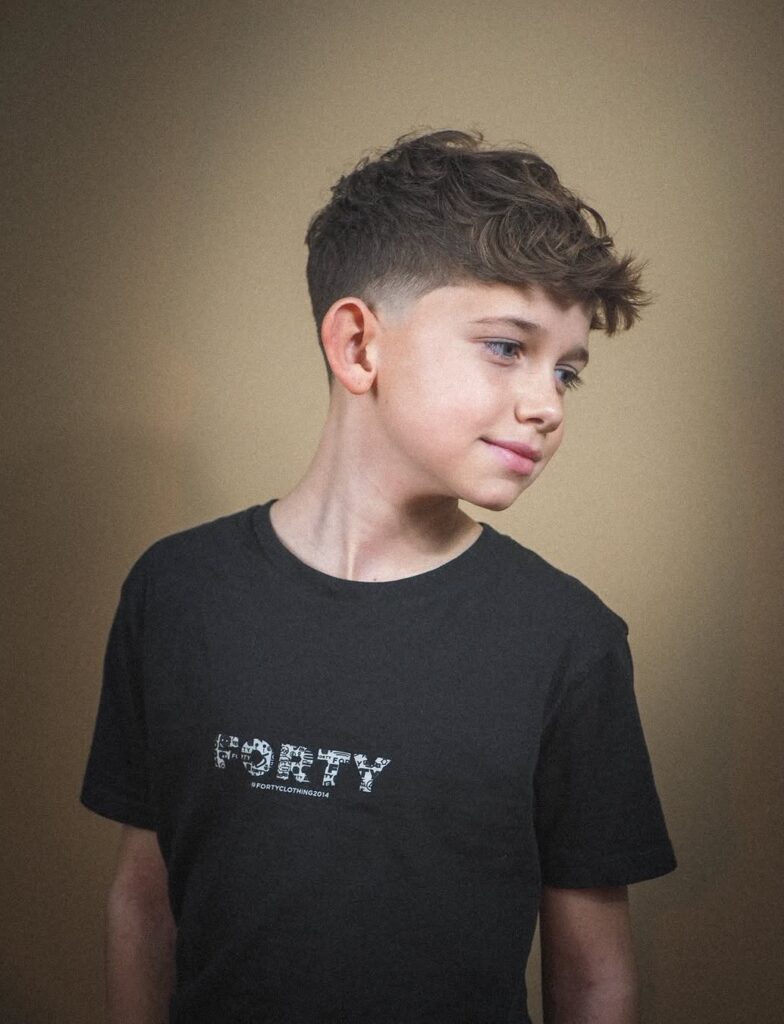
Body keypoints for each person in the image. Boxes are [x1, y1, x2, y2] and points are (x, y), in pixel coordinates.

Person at [81, 128, 676, 1024]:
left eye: (567, 372)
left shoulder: (569, 641)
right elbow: (143, 901)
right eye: (506, 348)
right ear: (358, 344)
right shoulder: (175, 594)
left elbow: (592, 978)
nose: (546, 404)